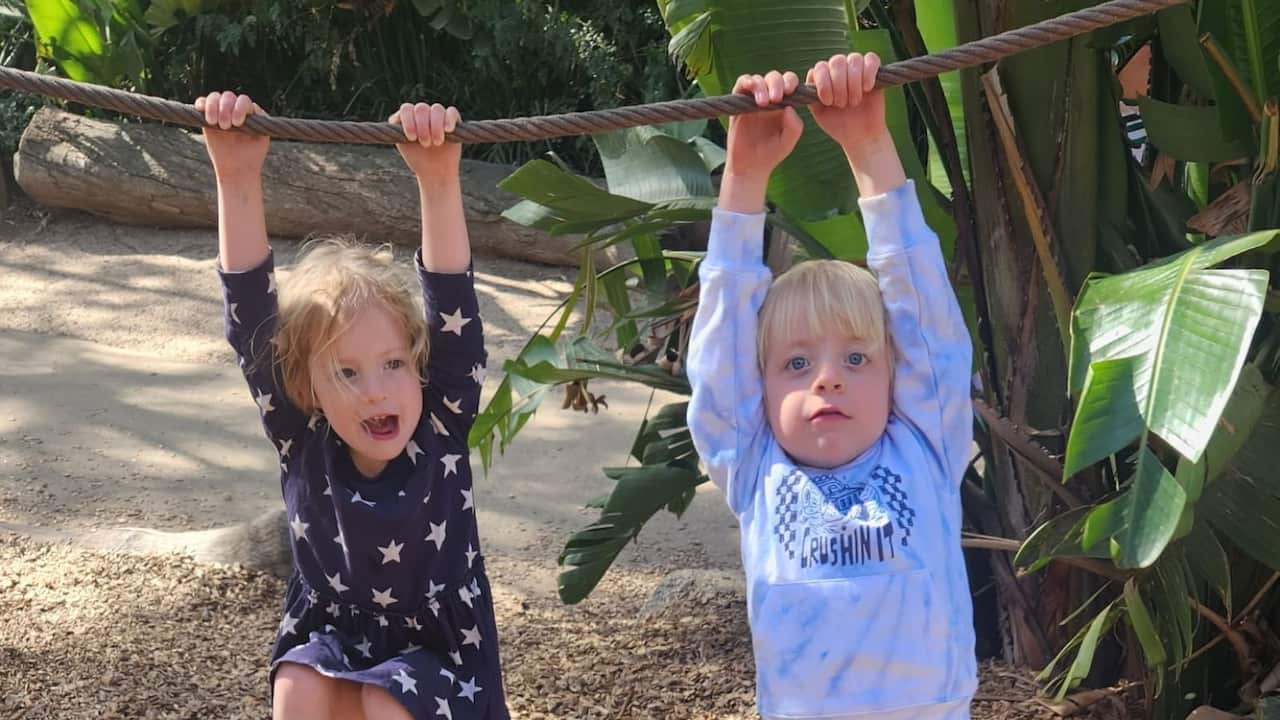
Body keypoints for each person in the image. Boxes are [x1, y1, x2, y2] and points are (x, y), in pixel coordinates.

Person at [198, 90, 508, 720]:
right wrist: (235, 176)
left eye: (394, 364)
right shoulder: (302, 436)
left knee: (384, 696)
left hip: (441, 662)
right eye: (347, 372)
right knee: (298, 686)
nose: (376, 389)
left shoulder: (440, 427)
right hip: (336, 640)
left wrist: (439, 179)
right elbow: (252, 330)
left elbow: (455, 316)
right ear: (307, 388)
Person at [685, 53, 977, 719]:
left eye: (855, 358)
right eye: (795, 364)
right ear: (757, 388)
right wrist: (743, 175)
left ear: (895, 374)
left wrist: (869, 144)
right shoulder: (752, 466)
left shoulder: (925, 448)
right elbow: (722, 350)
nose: (827, 380)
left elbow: (924, 316)